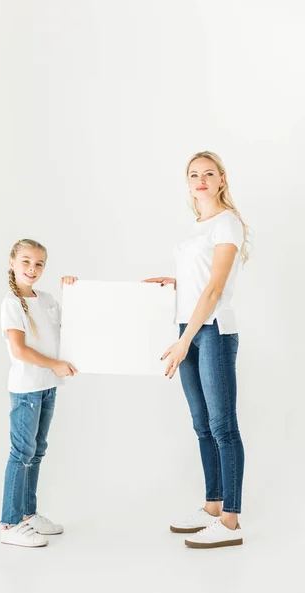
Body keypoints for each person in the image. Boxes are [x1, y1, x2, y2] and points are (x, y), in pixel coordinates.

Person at [144, 151, 250, 549]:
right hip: (188, 328)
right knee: (202, 425)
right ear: (188, 184)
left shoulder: (227, 223)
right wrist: (172, 282)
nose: (201, 179)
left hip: (212, 333)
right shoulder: (197, 227)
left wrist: (184, 340)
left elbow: (215, 288)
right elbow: (198, 279)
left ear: (222, 179)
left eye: (209, 173)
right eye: (194, 175)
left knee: (224, 427)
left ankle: (231, 520)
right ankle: (211, 507)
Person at [0, 238, 78, 547]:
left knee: (37, 451)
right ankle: (9, 523)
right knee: (21, 453)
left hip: (47, 387)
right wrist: (55, 364)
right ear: (13, 262)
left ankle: (29, 515)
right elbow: (19, 350)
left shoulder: (46, 299)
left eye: (39, 264)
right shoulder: (10, 303)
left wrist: (71, 292)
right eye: (26, 261)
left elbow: (70, 327)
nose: (32, 268)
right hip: (27, 390)